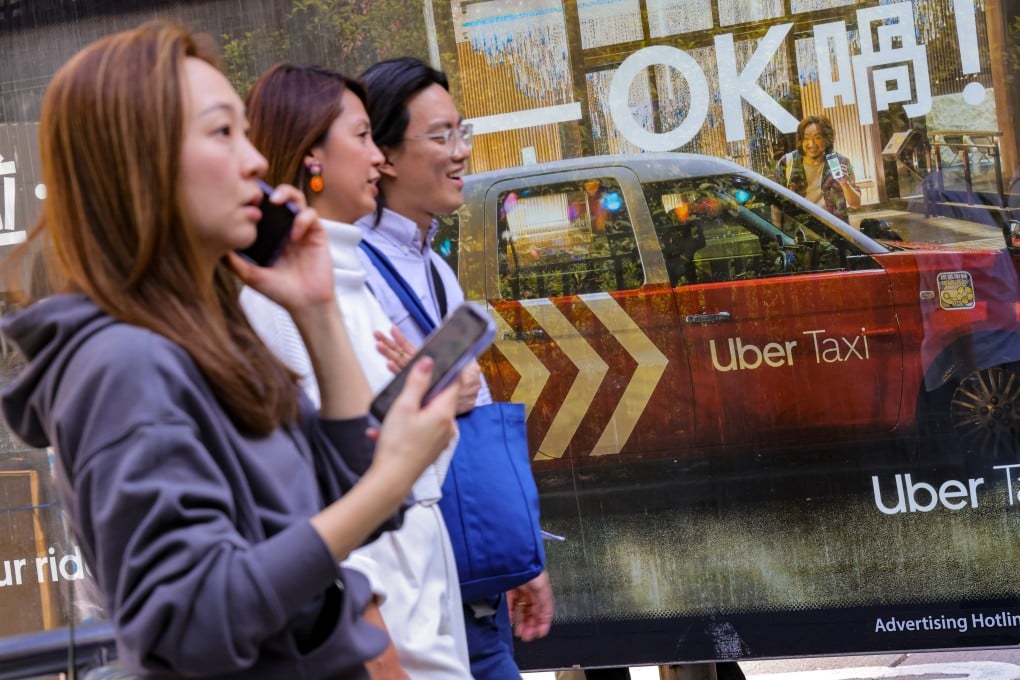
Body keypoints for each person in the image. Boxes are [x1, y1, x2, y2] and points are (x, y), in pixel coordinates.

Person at [0, 22, 461, 679]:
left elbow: (350, 496)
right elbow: (191, 621)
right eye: (222, 132)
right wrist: (394, 474)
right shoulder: (125, 365)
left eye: (246, 133)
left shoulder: (209, 333)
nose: (255, 162)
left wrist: (317, 313)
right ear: (141, 164)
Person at [241, 62, 476, 677]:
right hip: (386, 601)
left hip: (420, 574)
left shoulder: (347, 279)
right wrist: (374, 640)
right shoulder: (278, 302)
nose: (378, 157)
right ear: (312, 156)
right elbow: (321, 491)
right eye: (363, 136)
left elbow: (397, 464)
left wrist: (427, 412)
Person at [356, 56, 554, 679]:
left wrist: (518, 554)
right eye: (441, 136)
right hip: (417, 595)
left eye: (460, 131)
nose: (461, 151)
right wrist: (441, 390)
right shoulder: (353, 272)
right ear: (385, 155)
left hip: (475, 585)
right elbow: (362, 422)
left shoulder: (434, 266)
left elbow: (472, 411)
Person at [773, 114, 861, 223]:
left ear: (827, 138)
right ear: (801, 140)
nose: (811, 144)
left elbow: (855, 204)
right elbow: (776, 205)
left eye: (817, 137)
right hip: (799, 230)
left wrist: (845, 184)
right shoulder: (786, 162)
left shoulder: (840, 162)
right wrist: (777, 232)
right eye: (806, 138)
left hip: (833, 230)